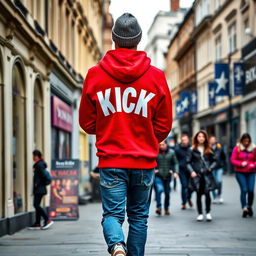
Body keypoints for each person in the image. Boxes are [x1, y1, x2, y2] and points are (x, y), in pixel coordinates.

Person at [79, 13, 172, 256]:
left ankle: (117, 245)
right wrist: (146, 135)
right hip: (143, 161)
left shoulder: (95, 75)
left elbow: (87, 123)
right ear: (138, 41)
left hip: (111, 159)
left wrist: (111, 127)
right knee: (139, 217)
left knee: (112, 213)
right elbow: (164, 125)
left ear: (114, 40)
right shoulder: (156, 76)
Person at [187, 131, 217, 222]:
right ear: (196, 138)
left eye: (203, 136)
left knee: (208, 194)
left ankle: (208, 213)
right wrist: (191, 171)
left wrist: (211, 168)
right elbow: (187, 162)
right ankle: (200, 213)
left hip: (207, 175)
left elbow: (215, 161)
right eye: (199, 136)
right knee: (198, 194)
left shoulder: (209, 149)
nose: (201, 138)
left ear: (205, 138)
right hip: (197, 175)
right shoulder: (192, 149)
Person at [230, 133, 256, 218]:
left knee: (251, 190)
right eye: (245, 141)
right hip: (240, 172)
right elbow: (232, 160)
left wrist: (254, 165)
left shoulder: (253, 148)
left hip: (251, 172)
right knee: (244, 190)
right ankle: (244, 208)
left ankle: (249, 206)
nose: (246, 143)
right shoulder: (237, 148)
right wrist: (241, 163)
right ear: (242, 141)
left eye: (248, 141)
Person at [29, 150, 54, 230]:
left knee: (36, 205)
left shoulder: (39, 165)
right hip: (40, 188)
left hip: (40, 189)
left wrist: (37, 183)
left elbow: (43, 176)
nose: (33, 157)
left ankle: (47, 219)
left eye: (33, 156)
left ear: (36, 156)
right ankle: (37, 223)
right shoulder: (39, 164)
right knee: (37, 205)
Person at [155, 140, 179, 216]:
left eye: (163, 145)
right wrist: (154, 170)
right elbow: (151, 162)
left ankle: (166, 208)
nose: (161, 146)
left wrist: (175, 172)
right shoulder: (156, 152)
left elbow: (175, 163)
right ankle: (158, 207)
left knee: (167, 193)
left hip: (168, 175)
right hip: (158, 175)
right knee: (159, 190)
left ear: (166, 144)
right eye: (160, 145)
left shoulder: (171, 152)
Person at [175, 134, 193, 210]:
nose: (184, 142)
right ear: (181, 141)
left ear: (188, 140)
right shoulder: (177, 149)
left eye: (185, 140)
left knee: (190, 187)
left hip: (190, 170)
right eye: (183, 140)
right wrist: (176, 171)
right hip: (181, 170)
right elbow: (175, 161)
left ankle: (188, 198)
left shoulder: (191, 148)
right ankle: (184, 203)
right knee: (184, 186)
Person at [209, 136, 226, 204]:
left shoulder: (219, 147)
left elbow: (223, 157)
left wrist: (222, 164)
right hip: (211, 168)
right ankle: (214, 196)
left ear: (216, 140)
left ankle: (219, 195)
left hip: (219, 167)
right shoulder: (208, 148)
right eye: (211, 139)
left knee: (219, 181)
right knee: (213, 182)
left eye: (214, 139)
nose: (212, 141)